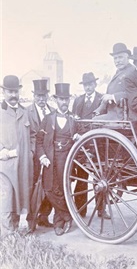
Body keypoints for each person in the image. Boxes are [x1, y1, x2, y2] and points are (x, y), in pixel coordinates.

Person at [36, 83, 76, 236]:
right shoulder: (48, 119)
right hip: (50, 159)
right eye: (61, 99)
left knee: (64, 189)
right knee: (49, 189)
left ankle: (58, 223)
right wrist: (42, 156)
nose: (64, 103)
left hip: (66, 159)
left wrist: (77, 137)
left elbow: (78, 139)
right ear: (55, 100)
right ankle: (68, 215)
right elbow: (39, 141)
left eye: (66, 99)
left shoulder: (73, 119)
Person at [72, 72, 109, 218]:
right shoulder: (78, 101)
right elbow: (74, 121)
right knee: (82, 176)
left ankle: (101, 209)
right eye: (86, 85)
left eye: (90, 84)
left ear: (95, 84)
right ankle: (81, 210)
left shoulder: (102, 99)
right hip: (82, 143)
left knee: (100, 178)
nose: (88, 87)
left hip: (98, 143)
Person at [0, 75, 33, 236]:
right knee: (6, 198)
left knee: (20, 197)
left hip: (23, 165)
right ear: (3, 92)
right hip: (5, 165)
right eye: (10, 92)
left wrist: (31, 151)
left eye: (16, 92)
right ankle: (7, 234)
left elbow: (33, 134)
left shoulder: (24, 112)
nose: (13, 96)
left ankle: (14, 227)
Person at [26, 79, 54, 230]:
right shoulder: (27, 112)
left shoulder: (52, 111)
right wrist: (35, 153)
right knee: (33, 187)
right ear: (34, 96)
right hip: (34, 156)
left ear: (47, 96)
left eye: (43, 96)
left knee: (49, 186)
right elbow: (27, 135)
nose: (41, 99)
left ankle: (44, 216)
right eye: (38, 96)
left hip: (50, 155)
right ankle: (31, 221)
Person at [93, 43, 135, 120]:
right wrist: (100, 109)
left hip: (123, 115)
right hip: (113, 113)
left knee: (94, 121)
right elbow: (109, 95)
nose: (117, 61)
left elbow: (134, 93)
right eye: (115, 58)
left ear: (127, 57)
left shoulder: (132, 71)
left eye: (120, 57)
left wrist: (113, 97)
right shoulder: (118, 72)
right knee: (93, 119)